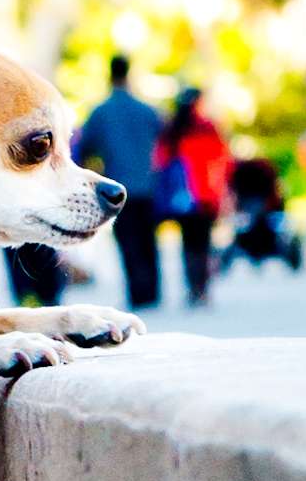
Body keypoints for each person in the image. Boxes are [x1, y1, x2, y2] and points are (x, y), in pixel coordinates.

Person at [76, 53, 164, 310]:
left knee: (128, 242)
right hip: (148, 185)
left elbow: (85, 148)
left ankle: (137, 292)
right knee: (149, 240)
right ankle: (152, 291)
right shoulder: (148, 111)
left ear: (109, 75)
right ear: (129, 74)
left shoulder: (100, 112)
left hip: (118, 188)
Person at [154, 87, 231, 307]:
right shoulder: (207, 127)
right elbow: (222, 159)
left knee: (188, 244)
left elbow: (160, 161)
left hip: (182, 199)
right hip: (205, 195)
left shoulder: (172, 131)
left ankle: (193, 288)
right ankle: (202, 289)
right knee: (203, 243)